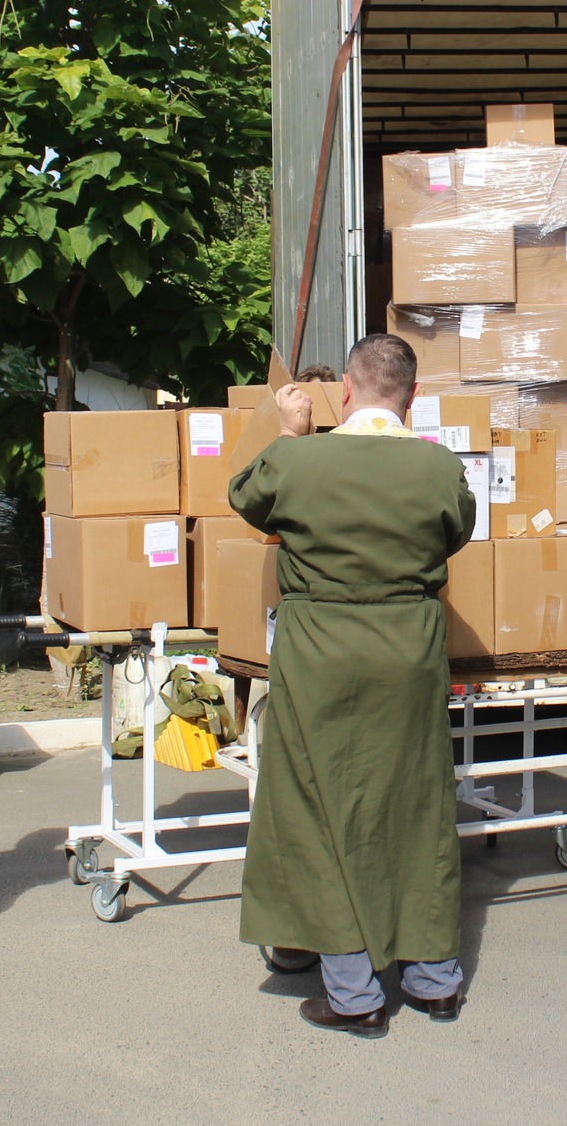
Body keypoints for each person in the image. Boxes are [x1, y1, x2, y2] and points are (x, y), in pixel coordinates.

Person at [228, 334, 478, 1037]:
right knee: (418, 801)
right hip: (409, 649)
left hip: (321, 652)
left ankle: (354, 990)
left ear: (345, 389)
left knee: (320, 806)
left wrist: (288, 431)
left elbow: (244, 494)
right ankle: (433, 978)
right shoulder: (437, 466)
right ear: (413, 396)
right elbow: (457, 529)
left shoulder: (299, 460)